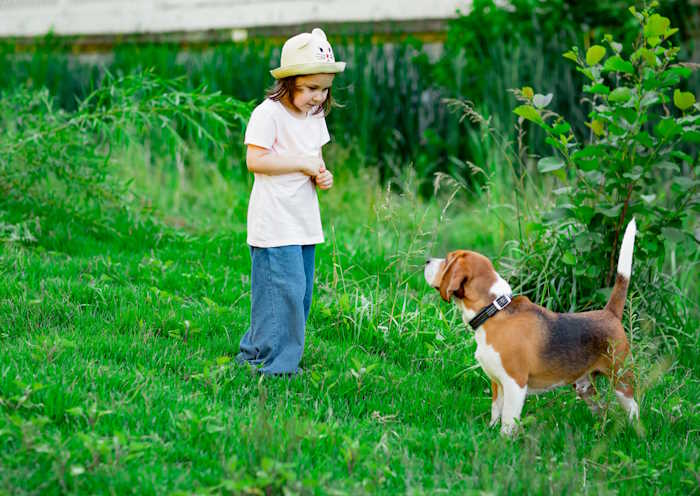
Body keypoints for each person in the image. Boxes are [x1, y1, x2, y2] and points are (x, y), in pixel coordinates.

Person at [236, 28, 345, 375]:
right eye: (312, 88)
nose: (319, 96)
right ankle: (278, 366)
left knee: (298, 296)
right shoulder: (268, 114)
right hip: (275, 223)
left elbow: (314, 159)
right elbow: (256, 161)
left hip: (303, 222)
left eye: (324, 88)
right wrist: (300, 164)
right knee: (281, 294)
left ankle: (255, 352)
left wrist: (320, 174)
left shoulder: (314, 117)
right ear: (290, 81)